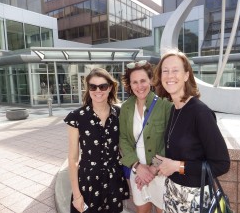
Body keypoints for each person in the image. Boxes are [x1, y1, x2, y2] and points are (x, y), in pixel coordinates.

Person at [152, 50, 230, 213]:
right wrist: (162, 164)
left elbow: (221, 164)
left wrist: (176, 166)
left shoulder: (200, 112)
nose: (169, 75)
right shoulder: (175, 108)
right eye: (165, 71)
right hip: (173, 195)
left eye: (175, 70)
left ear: (187, 75)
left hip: (195, 200)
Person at [64, 68, 129, 213]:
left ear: (110, 87)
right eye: (93, 86)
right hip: (88, 182)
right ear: (88, 88)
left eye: (103, 86)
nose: (98, 90)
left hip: (113, 180)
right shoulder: (77, 117)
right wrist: (76, 195)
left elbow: (124, 145)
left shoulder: (118, 114)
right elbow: (73, 158)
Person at [119, 60, 172, 213]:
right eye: (134, 82)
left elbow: (168, 141)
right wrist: (137, 167)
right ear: (129, 84)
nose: (139, 86)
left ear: (151, 80)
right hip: (137, 172)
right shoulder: (126, 107)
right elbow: (123, 139)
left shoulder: (164, 105)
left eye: (143, 80)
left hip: (160, 171)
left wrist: (152, 169)